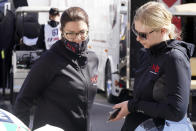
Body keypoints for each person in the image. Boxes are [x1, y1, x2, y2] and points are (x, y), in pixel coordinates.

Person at [110, 1, 195, 131]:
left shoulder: (174, 58)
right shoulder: (147, 53)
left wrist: (132, 106)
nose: (138, 39)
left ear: (163, 31)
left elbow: (176, 112)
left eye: (143, 34)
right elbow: (144, 99)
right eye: (135, 31)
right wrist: (129, 107)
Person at [14, 7, 99, 131]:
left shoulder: (93, 59)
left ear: (88, 30)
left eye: (82, 32)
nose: (77, 38)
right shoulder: (49, 60)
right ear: (61, 32)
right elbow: (23, 101)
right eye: (70, 33)